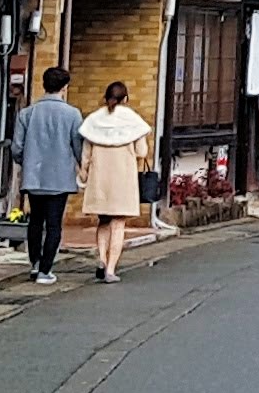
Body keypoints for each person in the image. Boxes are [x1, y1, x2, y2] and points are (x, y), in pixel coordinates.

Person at [77, 81, 154, 283]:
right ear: (126, 99)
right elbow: (142, 152)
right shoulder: (133, 121)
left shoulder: (94, 120)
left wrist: (84, 175)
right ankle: (110, 269)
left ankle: (101, 259)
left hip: (99, 177)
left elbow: (85, 154)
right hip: (123, 177)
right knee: (118, 223)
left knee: (103, 221)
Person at [14, 69, 85, 285]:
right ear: (64, 88)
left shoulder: (27, 113)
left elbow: (17, 148)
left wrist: (26, 162)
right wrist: (83, 168)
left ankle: (35, 265)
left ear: (44, 85)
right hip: (60, 178)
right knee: (54, 224)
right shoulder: (73, 114)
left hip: (34, 176)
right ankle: (46, 269)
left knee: (35, 220)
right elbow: (79, 148)